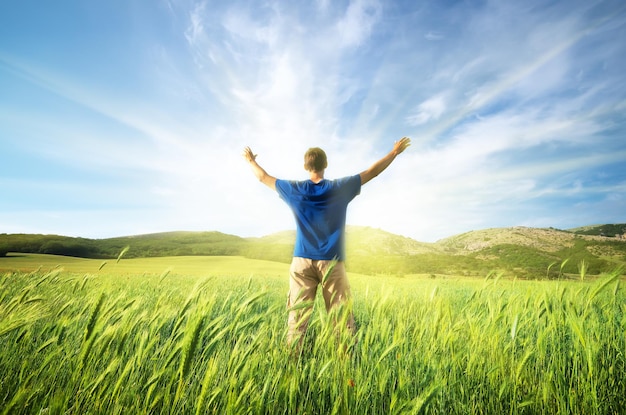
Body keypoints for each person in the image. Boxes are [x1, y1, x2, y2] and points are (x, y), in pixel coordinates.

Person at [243, 137, 411, 350]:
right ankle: (345, 366)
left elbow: (263, 177)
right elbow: (372, 172)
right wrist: (394, 152)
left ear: (306, 167)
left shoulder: (294, 190)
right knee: (341, 318)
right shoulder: (340, 188)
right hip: (332, 262)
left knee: (297, 319)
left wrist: (250, 161)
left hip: (301, 262)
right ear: (326, 165)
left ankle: (291, 364)